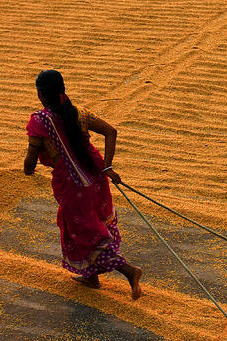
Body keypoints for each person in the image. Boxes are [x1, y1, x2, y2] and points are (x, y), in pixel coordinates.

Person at [23, 70, 142, 299]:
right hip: (96, 180)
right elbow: (111, 132)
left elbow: (30, 162)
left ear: (40, 94)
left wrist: (28, 169)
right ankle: (90, 276)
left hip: (74, 186)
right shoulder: (79, 113)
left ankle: (129, 271)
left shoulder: (39, 121)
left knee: (84, 233)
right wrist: (107, 167)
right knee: (90, 226)